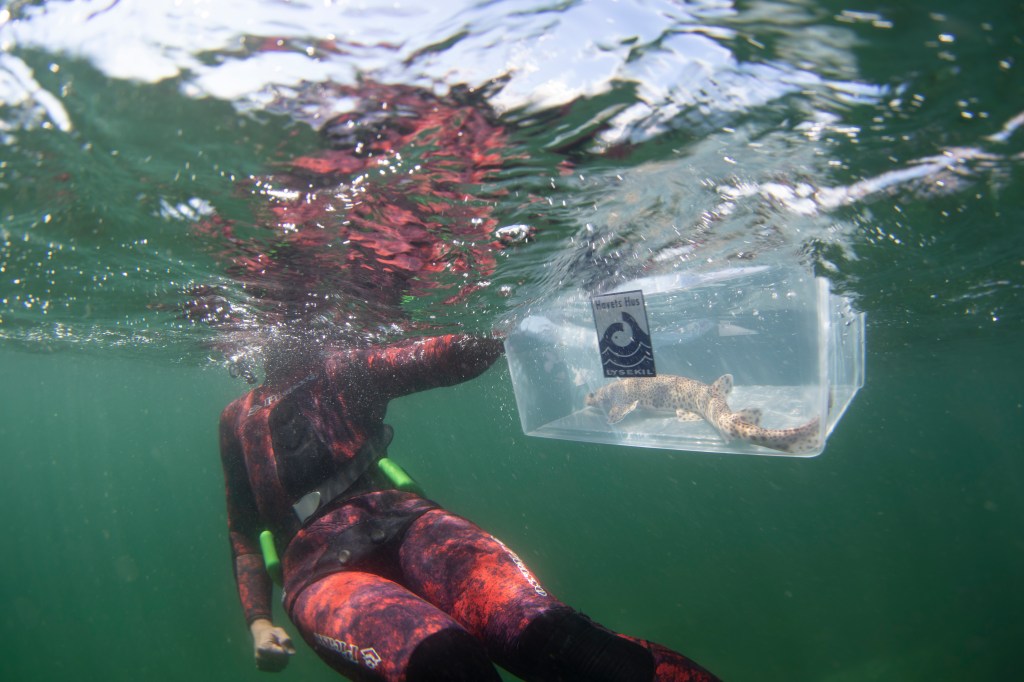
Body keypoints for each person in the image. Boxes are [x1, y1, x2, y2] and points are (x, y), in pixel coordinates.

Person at [219, 332, 721, 681]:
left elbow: (431, 359)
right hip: (318, 570)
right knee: (440, 663)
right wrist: (258, 619)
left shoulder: (340, 370)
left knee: (552, 637)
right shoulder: (238, 419)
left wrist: (498, 329)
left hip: (407, 521)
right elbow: (244, 526)